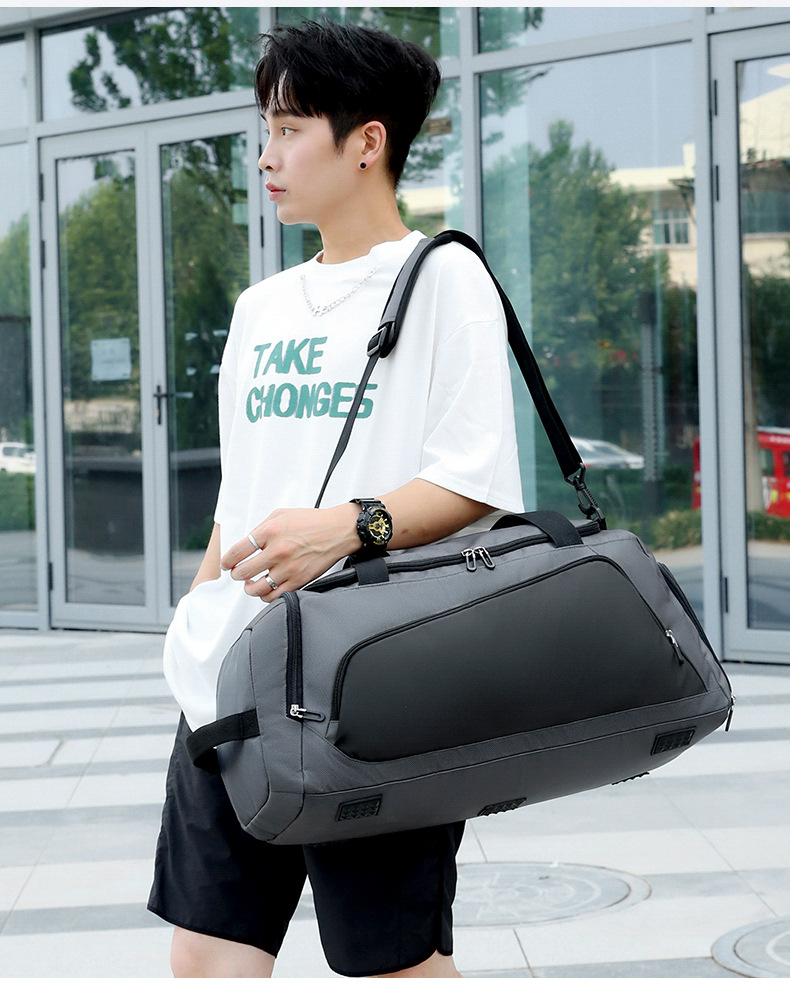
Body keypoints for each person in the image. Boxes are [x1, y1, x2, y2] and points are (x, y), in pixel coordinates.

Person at [147, 18, 523, 979]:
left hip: (371, 687)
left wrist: (350, 526)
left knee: (394, 964)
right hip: (231, 679)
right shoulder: (259, 308)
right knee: (206, 957)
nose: (265, 157)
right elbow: (239, 494)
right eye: (264, 131)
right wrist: (197, 617)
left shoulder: (446, 279)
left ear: (367, 143)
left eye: (289, 130)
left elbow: (476, 480)